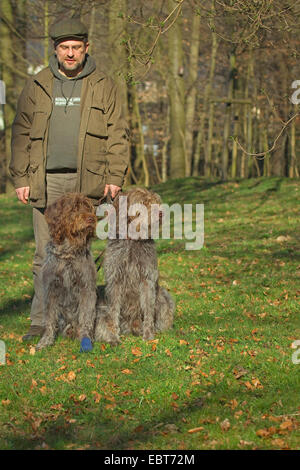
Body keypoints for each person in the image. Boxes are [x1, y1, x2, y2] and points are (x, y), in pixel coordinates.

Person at [9, 18, 129, 341]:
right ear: (55, 49)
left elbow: (119, 133)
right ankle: (41, 321)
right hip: (44, 183)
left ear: (87, 48)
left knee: (83, 257)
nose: (71, 53)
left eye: (77, 47)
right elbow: (20, 132)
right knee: (43, 255)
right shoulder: (37, 85)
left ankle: (81, 322)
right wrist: (20, 176)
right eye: (65, 48)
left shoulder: (104, 85)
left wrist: (115, 176)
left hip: (85, 184)